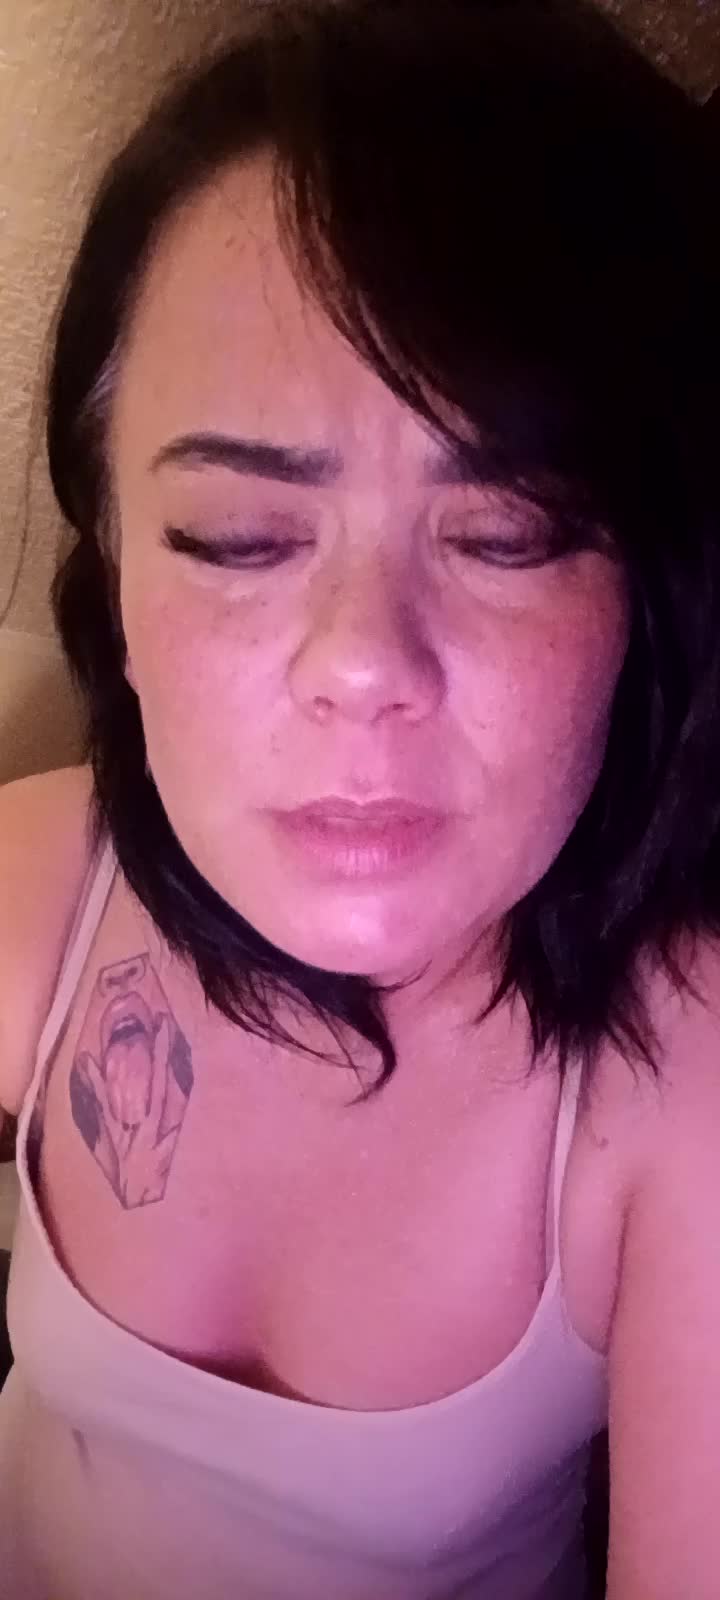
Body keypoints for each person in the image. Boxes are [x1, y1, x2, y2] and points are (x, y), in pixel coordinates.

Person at [0, 0, 719, 1594]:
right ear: (116, 585)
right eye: (239, 538)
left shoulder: (681, 1080)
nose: (361, 663)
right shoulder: (46, 879)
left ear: (648, 597)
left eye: (507, 534)